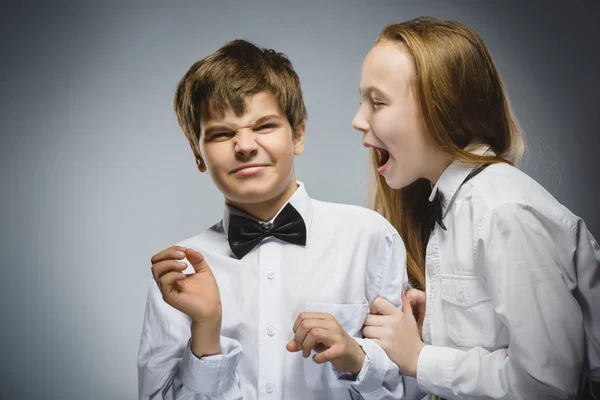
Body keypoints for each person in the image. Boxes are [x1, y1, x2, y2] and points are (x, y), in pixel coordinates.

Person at [137, 39, 416, 399]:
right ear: (198, 154)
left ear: (298, 134)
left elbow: (409, 388)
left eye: (264, 126)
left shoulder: (370, 238)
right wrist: (206, 332)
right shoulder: (178, 274)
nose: (245, 146)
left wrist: (356, 360)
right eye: (222, 134)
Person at [354, 16, 600, 399]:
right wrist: (433, 324)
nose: (358, 120)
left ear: (440, 110)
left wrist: (420, 358)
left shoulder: (502, 212)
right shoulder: (453, 206)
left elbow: (550, 387)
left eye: (378, 102)